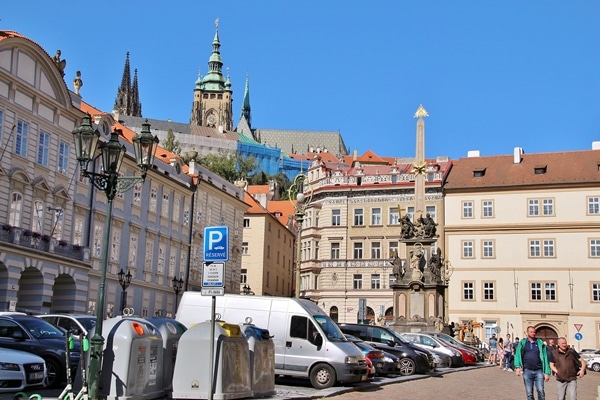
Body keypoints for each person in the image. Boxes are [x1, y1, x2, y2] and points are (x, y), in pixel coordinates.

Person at [514, 326, 551, 400]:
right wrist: (517, 367)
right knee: (529, 393)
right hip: (527, 370)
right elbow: (517, 354)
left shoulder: (540, 343)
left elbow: (545, 358)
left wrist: (547, 372)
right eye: (531, 332)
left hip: (539, 370)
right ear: (527, 333)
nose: (533, 333)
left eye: (534, 332)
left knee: (541, 391)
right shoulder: (523, 343)